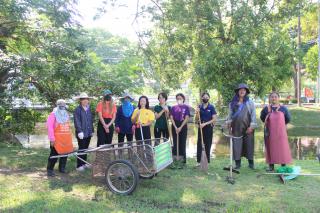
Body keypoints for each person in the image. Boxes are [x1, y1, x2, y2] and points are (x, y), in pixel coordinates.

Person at [227, 83, 257, 169]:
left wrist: (251, 126)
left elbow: (253, 115)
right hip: (236, 128)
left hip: (248, 128)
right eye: (240, 90)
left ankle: (251, 164)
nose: (242, 91)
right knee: (237, 145)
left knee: (249, 145)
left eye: (244, 90)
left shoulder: (250, 103)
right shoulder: (232, 103)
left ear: (246, 92)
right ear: (237, 92)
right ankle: (238, 164)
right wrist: (229, 125)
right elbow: (230, 116)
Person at [260, 91, 292, 172]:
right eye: (272, 97)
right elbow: (262, 118)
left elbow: (288, 119)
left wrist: (280, 125)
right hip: (270, 133)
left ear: (278, 98)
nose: (273, 98)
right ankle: (271, 167)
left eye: (275, 97)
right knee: (270, 147)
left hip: (281, 133)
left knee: (282, 148)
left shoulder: (283, 108)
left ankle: (283, 166)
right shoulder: (266, 109)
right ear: (270, 98)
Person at [46, 99, 73, 177]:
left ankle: (62, 168)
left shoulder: (66, 114)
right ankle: (50, 170)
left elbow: (68, 126)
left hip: (65, 138)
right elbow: (50, 127)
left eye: (64, 104)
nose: (62, 106)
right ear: (57, 105)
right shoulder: (53, 114)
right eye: (60, 104)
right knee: (54, 154)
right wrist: (52, 139)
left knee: (65, 153)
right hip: (56, 139)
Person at [195, 92, 217, 166]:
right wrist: (197, 113)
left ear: (209, 98)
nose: (205, 98)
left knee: (207, 144)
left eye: (207, 97)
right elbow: (196, 119)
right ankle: (199, 161)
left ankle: (206, 161)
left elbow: (214, 119)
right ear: (202, 98)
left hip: (208, 128)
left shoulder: (211, 107)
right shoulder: (199, 107)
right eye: (204, 97)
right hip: (200, 128)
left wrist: (205, 123)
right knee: (200, 144)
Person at [74, 92, 94, 172]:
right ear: (80, 101)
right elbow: (77, 121)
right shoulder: (77, 109)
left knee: (86, 149)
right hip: (81, 133)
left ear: (88, 100)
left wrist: (92, 130)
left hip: (88, 132)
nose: (85, 101)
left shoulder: (89, 109)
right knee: (81, 148)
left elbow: (90, 121)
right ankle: (79, 165)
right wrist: (79, 131)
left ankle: (84, 163)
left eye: (86, 99)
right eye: (83, 99)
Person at [170, 93, 190, 164]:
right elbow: (171, 117)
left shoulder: (186, 107)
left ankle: (183, 160)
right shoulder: (173, 107)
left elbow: (187, 117)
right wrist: (175, 127)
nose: (179, 100)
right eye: (177, 98)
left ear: (183, 99)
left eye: (180, 98)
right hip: (175, 125)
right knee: (175, 142)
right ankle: (175, 159)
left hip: (183, 125)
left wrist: (181, 127)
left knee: (183, 142)